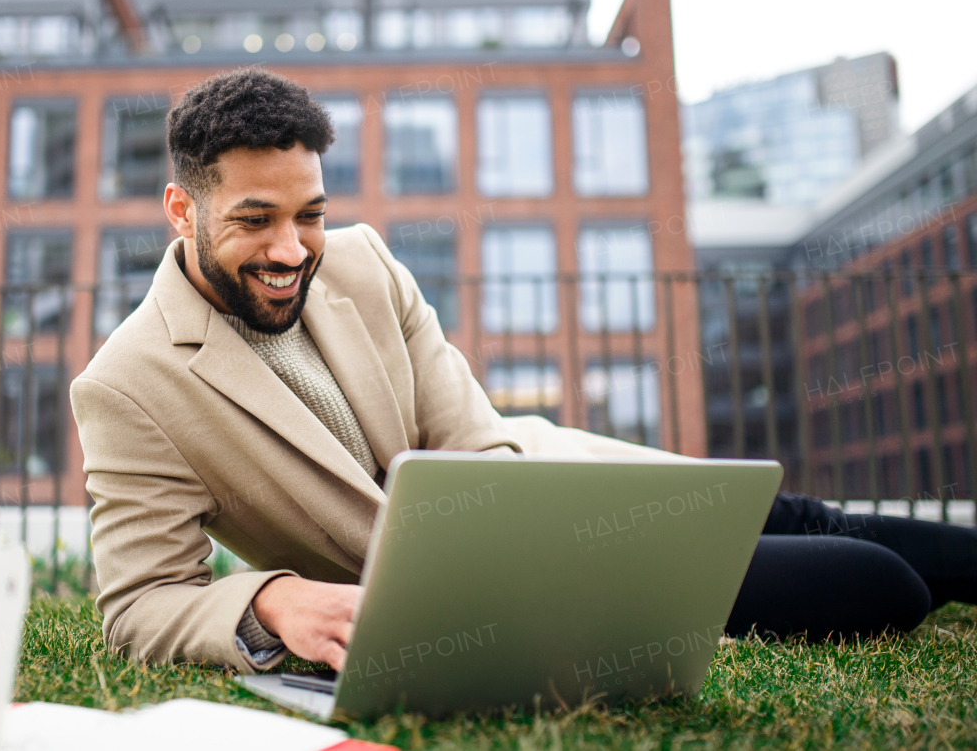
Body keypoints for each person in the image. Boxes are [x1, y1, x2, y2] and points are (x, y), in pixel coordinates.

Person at [70, 67, 977, 674]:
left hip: (550, 488)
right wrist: (271, 598)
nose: (289, 248)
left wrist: (512, 530)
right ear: (180, 208)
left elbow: (469, 426)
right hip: (528, 591)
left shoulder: (363, 261)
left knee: (795, 511)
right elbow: (141, 602)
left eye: (307, 213)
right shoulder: (128, 384)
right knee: (877, 583)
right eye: (254, 219)